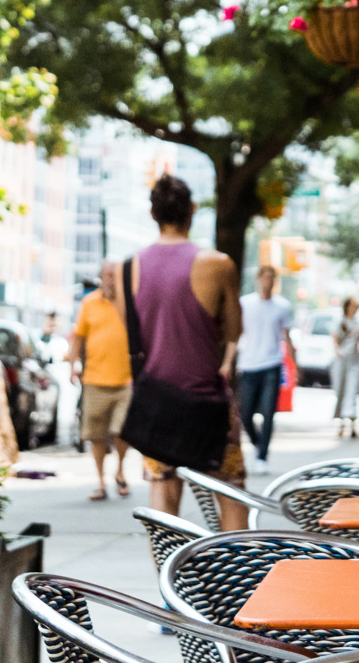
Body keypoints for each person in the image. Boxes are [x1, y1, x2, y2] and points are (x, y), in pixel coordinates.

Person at [115, 175, 248, 530]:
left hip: (156, 404)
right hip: (209, 404)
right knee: (232, 494)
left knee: (163, 504)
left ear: (152, 213)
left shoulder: (125, 271)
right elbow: (234, 331)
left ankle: (169, 583)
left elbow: (131, 330)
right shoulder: (219, 265)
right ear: (192, 210)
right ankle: (235, 581)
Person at [68, 261, 132, 502]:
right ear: (100, 278)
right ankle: (100, 481)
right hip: (95, 378)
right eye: (108, 275)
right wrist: (73, 366)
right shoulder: (89, 303)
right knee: (96, 435)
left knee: (121, 431)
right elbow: (78, 337)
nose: (112, 280)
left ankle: (121, 471)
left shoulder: (129, 302)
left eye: (116, 276)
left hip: (126, 380)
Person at [237, 265, 294, 474]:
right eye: (265, 277)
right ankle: (258, 442)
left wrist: (294, 364)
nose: (268, 282)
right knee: (245, 414)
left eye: (272, 278)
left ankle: (262, 456)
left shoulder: (282, 306)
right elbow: (236, 333)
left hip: (272, 363)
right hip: (249, 364)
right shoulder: (245, 303)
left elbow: (287, 336)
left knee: (269, 412)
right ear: (258, 279)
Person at [332, 297, 359, 437]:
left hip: (355, 360)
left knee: (352, 392)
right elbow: (335, 338)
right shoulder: (340, 322)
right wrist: (337, 350)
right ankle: (340, 423)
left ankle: (351, 424)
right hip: (342, 359)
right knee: (341, 390)